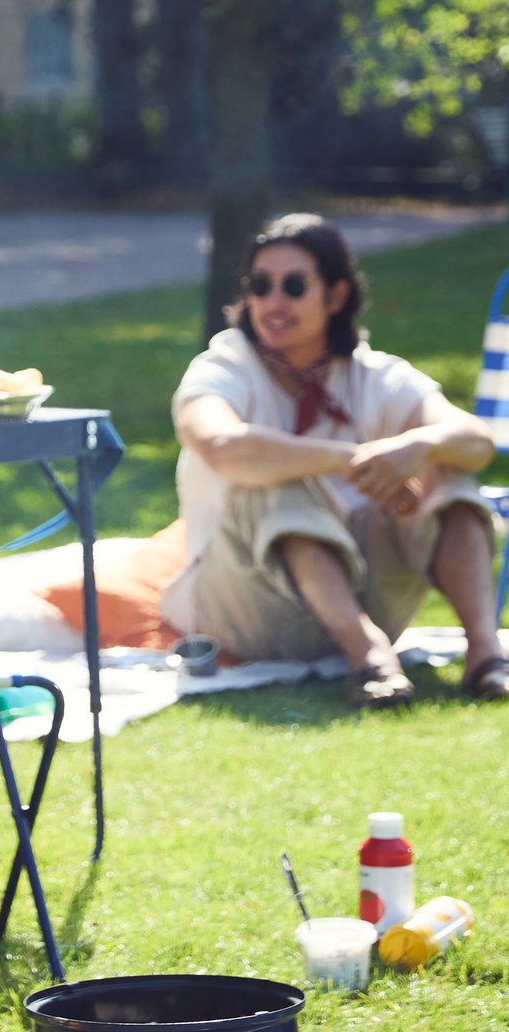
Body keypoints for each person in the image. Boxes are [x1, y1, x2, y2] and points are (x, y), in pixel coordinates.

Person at [163, 212, 506, 708]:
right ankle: (368, 657)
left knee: (447, 468)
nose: (273, 302)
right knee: (269, 469)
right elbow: (220, 444)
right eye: (261, 286)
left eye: (294, 286)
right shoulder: (224, 365)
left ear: (337, 295)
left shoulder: (375, 374)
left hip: (369, 596)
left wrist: (419, 447)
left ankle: (485, 655)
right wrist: (350, 460)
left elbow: (476, 441)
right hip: (249, 610)